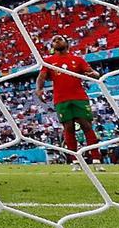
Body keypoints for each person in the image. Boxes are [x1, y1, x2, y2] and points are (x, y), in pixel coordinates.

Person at [35, 36, 105, 170]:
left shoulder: (77, 60)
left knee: (87, 126)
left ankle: (96, 160)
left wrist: (94, 74)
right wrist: (39, 89)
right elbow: (42, 76)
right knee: (68, 128)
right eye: (54, 40)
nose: (56, 41)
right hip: (61, 99)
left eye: (59, 39)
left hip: (79, 97)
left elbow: (93, 73)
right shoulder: (48, 61)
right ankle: (75, 161)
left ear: (67, 43)